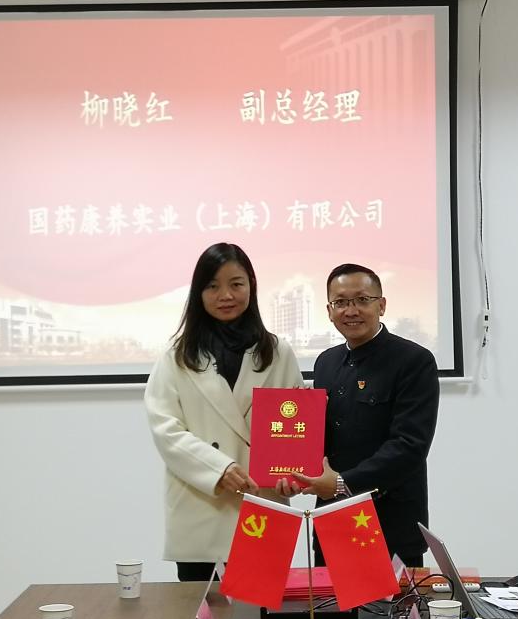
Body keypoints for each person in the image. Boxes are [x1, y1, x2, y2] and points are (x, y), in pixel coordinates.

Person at [144, 242, 303, 581]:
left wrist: (293, 476)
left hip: (262, 503)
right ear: (198, 293)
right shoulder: (177, 356)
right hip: (201, 504)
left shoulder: (278, 352)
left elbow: (294, 426)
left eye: (236, 284)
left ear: (251, 286)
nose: (225, 295)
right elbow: (165, 429)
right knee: (200, 610)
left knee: (261, 610)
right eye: (213, 286)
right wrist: (219, 468)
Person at [279, 263, 440, 566]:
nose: (351, 310)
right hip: (332, 520)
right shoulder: (326, 362)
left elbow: (409, 445)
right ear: (329, 311)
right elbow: (320, 439)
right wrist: (293, 472)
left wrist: (343, 483)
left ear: (382, 305)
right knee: (329, 598)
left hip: (390, 524)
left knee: (393, 600)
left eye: (362, 300)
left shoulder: (414, 361)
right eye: (341, 302)